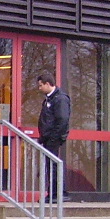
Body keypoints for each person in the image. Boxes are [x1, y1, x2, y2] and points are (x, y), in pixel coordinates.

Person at [35, 73, 71, 202]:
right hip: (49, 138)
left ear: (48, 83)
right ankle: (55, 193)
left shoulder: (60, 99)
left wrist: (53, 137)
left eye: (40, 86)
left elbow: (62, 120)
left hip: (53, 138)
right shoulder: (49, 99)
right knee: (51, 166)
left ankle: (57, 193)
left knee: (53, 165)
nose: (39, 88)